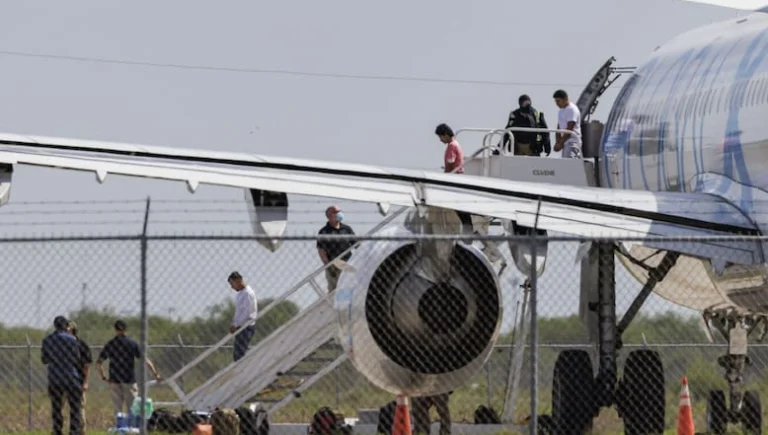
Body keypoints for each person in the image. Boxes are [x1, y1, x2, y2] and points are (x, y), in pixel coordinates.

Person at [96, 320, 161, 416]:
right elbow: (145, 361)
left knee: (117, 408)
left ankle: (119, 426)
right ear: (125, 330)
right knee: (132, 407)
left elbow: (98, 363)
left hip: (114, 379)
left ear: (115, 329)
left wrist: (103, 376)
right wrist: (156, 374)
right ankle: (131, 427)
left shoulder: (111, 344)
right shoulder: (132, 344)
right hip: (129, 379)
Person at [42, 315, 83, 435]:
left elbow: (44, 360)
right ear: (66, 326)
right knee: (75, 407)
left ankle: (57, 430)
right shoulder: (72, 340)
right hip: (71, 376)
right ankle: (74, 431)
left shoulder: (47, 340)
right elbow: (77, 358)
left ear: (55, 326)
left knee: (56, 407)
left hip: (55, 377)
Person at [316, 205, 356, 292]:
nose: (339, 214)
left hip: (347, 262)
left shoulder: (347, 229)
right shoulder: (324, 232)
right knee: (334, 290)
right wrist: (328, 265)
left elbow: (356, 244)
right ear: (329, 216)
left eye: (340, 211)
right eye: (336, 212)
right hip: (333, 263)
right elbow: (321, 250)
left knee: (349, 287)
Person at [227, 271, 259, 362]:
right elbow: (239, 312)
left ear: (238, 280)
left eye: (232, 283)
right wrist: (234, 323)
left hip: (246, 326)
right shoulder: (241, 294)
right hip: (241, 327)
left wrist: (236, 324)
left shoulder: (247, 293)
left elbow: (246, 313)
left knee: (239, 355)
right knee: (238, 353)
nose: (232, 287)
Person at [68, 320, 92, 435]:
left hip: (78, 381)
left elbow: (86, 365)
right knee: (61, 407)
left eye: (66, 329)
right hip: (64, 380)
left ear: (72, 330)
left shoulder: (82, 345)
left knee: (79, 408)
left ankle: (82, 432)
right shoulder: (62, 345)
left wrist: (85, 382)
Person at [553, 89, 583, 158]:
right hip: (565, 143)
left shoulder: (572, 109)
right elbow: (559, 126)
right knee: (565, 163)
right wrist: (557, 142)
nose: (557, 103)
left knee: (569, 164)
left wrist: (560, 143)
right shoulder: (561, 110)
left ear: (565, 99)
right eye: (556, 101)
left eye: (558, 101)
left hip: (572, 142)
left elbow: (570, 128)